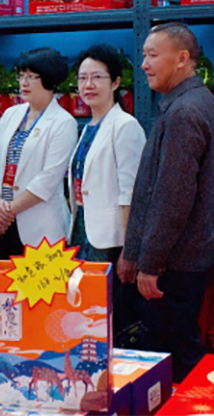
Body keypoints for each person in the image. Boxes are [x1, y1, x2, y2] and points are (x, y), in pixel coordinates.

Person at [118, 22, 214, 383]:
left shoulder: (184, 112)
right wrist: (134, 252)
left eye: (152, 55)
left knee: (175, 354)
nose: (144, 64)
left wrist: (149, 263)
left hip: (175, 264)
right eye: (143, 55)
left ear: (182, 59)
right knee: (171, 348)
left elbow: (172, 198)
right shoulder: (189, 103)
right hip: (180, 258)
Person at [67, 44, 146, 334]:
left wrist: (129, 250)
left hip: (110, 242)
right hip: (81, 233)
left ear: (115, 82)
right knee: (85, 317)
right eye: (82, 78)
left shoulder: (125, 126)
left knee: (108, 319)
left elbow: (131, 193)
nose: (88, 85)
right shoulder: (88, 126)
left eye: (97, 77)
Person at [0, 47, 77, 257]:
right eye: (21, 76)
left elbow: (47, 180)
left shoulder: (64, 122)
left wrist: (6, 213)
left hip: (40, 228)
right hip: (2, 225)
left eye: (31, 77)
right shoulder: (10, 114)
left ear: (49, 80)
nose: (23, 83)